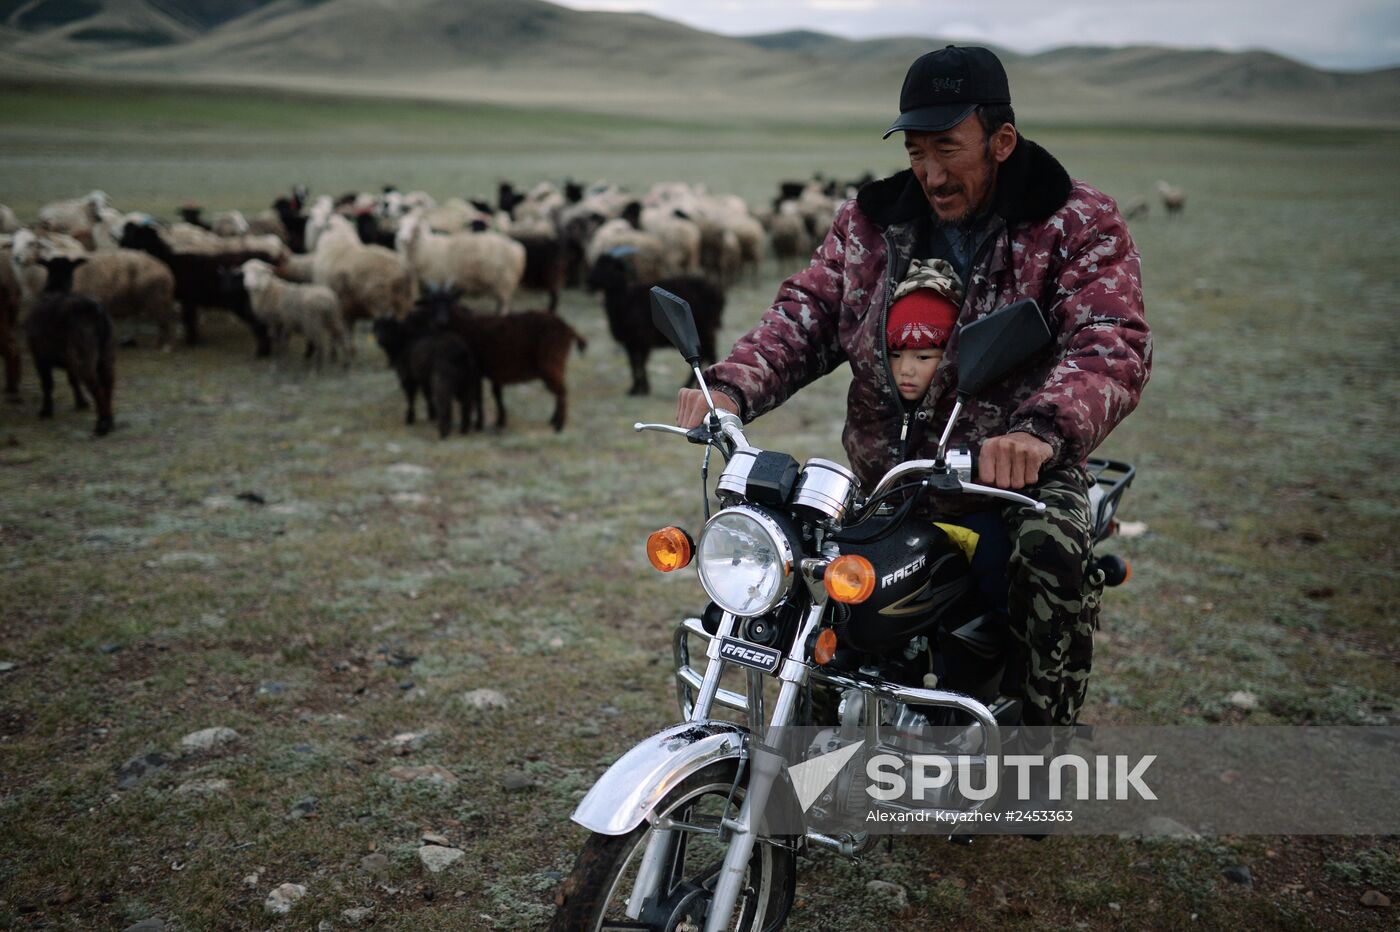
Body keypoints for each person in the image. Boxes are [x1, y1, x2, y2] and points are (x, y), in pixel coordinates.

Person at [675, 45, 1152, 728]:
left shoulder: (1076, 221)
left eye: (948, 149)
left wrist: (1039, 432)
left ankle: (1042, 745)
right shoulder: (872, 222)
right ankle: (804, 748)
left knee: (1051, 552)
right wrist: (730, 388)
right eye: (916, 151)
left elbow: (1111, 342)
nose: (931, 173)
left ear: (1001, 142)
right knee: (803, 592)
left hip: (1011, 477)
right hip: (889, 483)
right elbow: (808, 315)